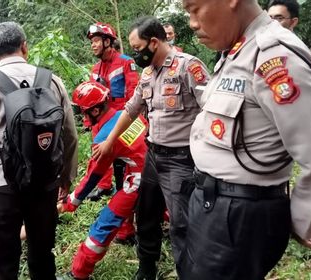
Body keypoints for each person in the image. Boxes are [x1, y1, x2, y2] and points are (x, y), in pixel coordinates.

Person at [179, 0, 311, 279]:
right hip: (213, 202)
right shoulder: (239, 50)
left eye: (194, 8)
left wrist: (299, 220)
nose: (192, 22)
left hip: (238, 214)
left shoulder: (275, 57)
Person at [0, 21, 78, 280]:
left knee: (1, 263)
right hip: (45, 183)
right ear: (25, 47)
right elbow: (68, 134)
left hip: (2, 187)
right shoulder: (53, 81)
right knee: (43, 257)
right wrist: (66, 177)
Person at [93, 16, 210, 280]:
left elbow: (213, 111)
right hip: (153, 156)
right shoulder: (147, 74)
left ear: (154, 43)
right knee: (146, 216)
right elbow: (131, 110)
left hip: (182, 159)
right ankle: (146, 269)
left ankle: (189, 273)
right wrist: (110, 140)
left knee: (182, 224)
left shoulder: (188, 67)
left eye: (137, 48)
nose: (134, 53)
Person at [58, 81, 148, 280]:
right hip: (154, 170)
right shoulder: (129, 116)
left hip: (139, 179)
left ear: (96, 110)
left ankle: (79, 273)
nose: (83, 117)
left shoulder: (105, 138)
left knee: (104, 224)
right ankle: (126, 234)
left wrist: (71, 202)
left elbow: (93, 176)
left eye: (84, 112)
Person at [86, 22, 140, 201]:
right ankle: (104, 185)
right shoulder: (95, 69)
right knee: (98, 149)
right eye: (91, 42)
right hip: (102, 118)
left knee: (123, 157)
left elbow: (134, 92)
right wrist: (88, 121)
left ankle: (126, 188)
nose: (93, 45)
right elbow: (89, 98)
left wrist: (133, 116)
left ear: (107, 42)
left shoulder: (126, 62)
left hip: (122, 115)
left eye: (96, 41)